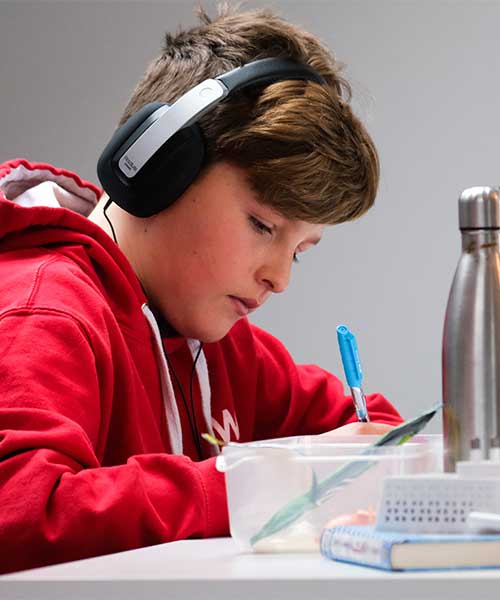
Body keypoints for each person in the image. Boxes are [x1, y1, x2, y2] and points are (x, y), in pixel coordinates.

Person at [0, 5, 401, 573]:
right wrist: (252, 485)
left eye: (299, 251)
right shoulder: (45, 313)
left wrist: (383, 457)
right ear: (161, 168)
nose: (280, 278)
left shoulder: (219, 345)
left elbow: (365, 430)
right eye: (263, 225)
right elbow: (19, 511)